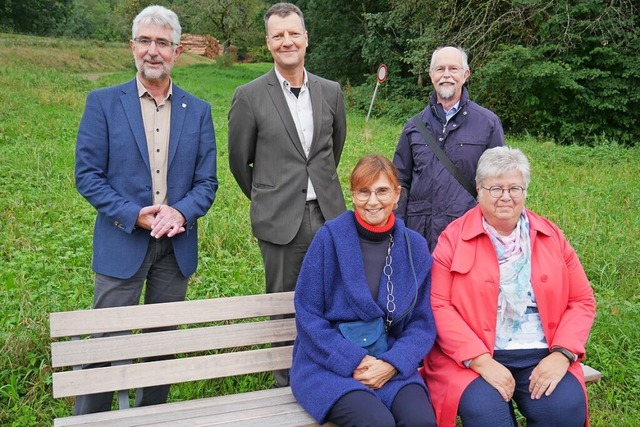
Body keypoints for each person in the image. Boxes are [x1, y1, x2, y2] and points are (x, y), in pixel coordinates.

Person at [74, 5, 217, 414]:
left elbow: (207, 182)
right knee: (106, 342)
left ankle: (154, 418)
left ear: (177, 51)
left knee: (161, 345)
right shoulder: (103, 102)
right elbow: (87, 175)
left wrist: (181, 213)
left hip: (175, 248)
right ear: (132, 47)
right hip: (122, 240)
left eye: (163, 43)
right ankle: (90, 421)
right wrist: (133, 213)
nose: (153, 51)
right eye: (145, 41)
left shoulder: (199, 110)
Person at [422, 147, 596, 426]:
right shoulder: (452, 239)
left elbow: (581, 300)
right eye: (495, 188)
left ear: (525, 191)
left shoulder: (551, 236)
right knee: (487, 416)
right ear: (478, 190)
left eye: (514, 188)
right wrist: (479, 360)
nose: (505, 196)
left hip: (542, 352)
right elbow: (438, 305)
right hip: (475, 356)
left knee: (565, 410)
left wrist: (562, 354)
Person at [228, 2, 347, 386]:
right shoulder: (249, 95)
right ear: (268, 43)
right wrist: (272, 195)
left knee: (332, 298)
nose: (287, 41)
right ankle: (287, 382)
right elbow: (238, 161)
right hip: (280, 220)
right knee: (283, 305)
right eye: (278, 35)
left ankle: (328, 375)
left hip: (329, 215)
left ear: (306, 38)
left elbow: (333, 149)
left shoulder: (330, 91)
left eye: (293, 33)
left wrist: (318, 187)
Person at [291, 154, 437, 426]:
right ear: (353, 195)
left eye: (382, 191)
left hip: (390, 360)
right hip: (326, 364)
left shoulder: (414, 247)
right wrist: (353, 360)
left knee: (421, 422)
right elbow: (308, 314)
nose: (372, 201)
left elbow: (422, 323)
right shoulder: (329, 238)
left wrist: (393, 363)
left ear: (397, 194)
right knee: (376, 422)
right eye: (364, 192)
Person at [393, 46, 505, 251]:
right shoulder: (413, 127)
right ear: (431, 75)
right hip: (419, 237)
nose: (446, 75)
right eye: (440, 69)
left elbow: (499, 183)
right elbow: (399, 182)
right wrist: (398, 229)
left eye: (453, 69)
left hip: (467, 235)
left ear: (466, 74)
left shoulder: (488, 123)